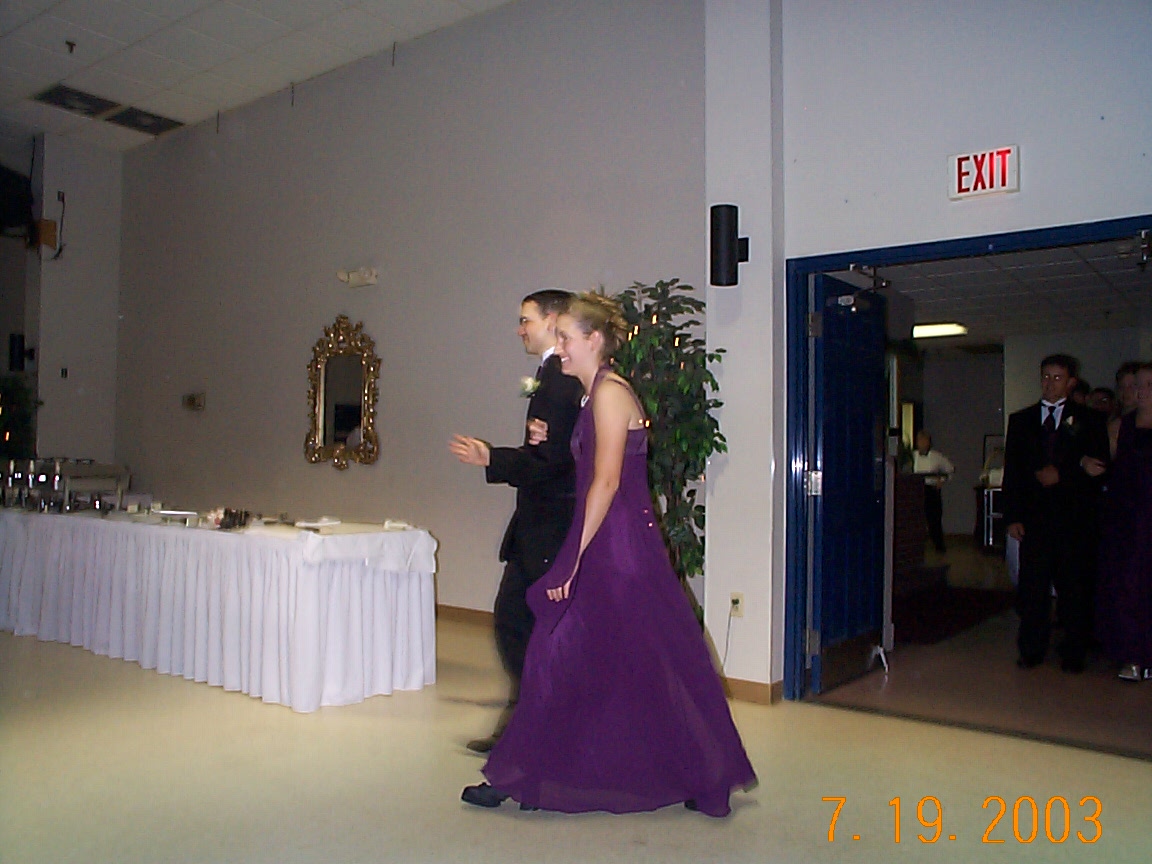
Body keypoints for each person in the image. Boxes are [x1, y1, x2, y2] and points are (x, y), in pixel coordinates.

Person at [461, 293, 756, 817]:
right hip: (611, 540)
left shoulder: (610, 393)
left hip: (615, 547)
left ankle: (522, 776)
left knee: (568, 651)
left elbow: (607, 482)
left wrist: (572, 557)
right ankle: (538, 772)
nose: (560, 347)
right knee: (619, 656)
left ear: (593, 339)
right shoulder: (594, 393)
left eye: (567, 337)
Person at [449, 289, 584, 753]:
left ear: (553, 320)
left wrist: (493, 458)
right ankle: (526, 725)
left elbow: (552, 462)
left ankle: (531, 729)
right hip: (541, 523)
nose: (519, 328)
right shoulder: (552, 376)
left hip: (551, 525)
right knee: (520, 625)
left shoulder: (561, 381)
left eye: (526, 319)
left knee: (518, 624)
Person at [1002, 354, 1109, 673]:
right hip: (1035, 519)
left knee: (1073, 589)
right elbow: (1013, 472)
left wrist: (1064, 475)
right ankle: (1031, 649)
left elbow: (1098, 469)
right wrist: (1012, 516)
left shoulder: (1089, 420)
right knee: (1033, 588)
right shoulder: (1021, 420)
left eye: (1057, 378)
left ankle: (1074, 652)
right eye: (1045, 377)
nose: (1050, 384)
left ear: (1071, 382)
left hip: (1073, 520)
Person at [1095, 362, 1152, 681]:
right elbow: (1105, 465)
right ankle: (1131, 654)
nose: (1141, 391)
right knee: (1128, 585)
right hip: (1127, 519)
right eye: (1136, 385)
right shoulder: (1120, 426)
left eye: (1148, 384)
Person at [913, 430, 954, 553]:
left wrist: (942, 480)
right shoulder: (912, 456)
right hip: (916, 490)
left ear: (929, 442)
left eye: (924, 440)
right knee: (915, 519)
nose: (922, 443)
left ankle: (939, 546)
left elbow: (950, 469)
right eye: (920, 440)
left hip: (931, 490)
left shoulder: (937, 457)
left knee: (934, 519)